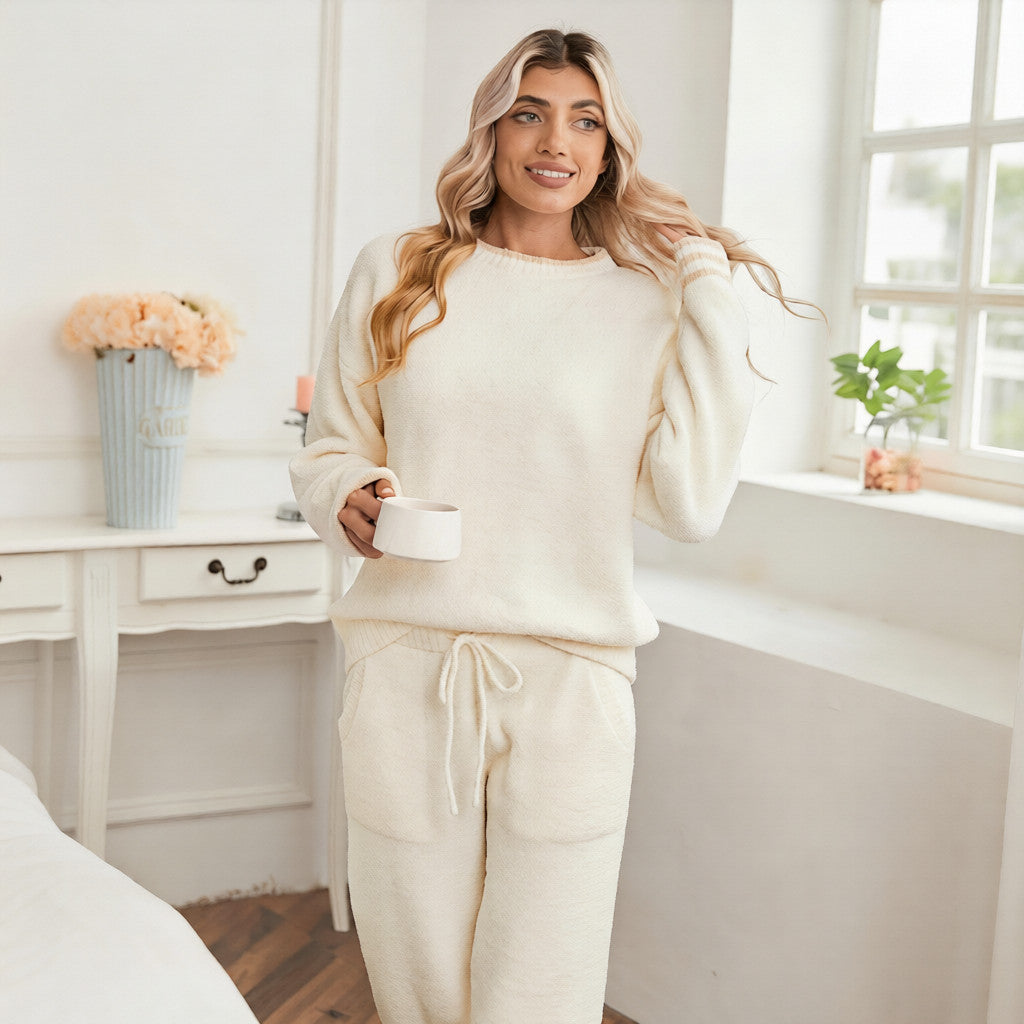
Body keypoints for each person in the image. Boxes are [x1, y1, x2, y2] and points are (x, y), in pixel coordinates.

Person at [291, 27, 813, 1024]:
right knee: (417, 977)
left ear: (610, 149)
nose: (554, 142)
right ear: (490, 130)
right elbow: (333, 446)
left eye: (585, 121)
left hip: (575, 678)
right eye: (528, 113)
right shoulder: (399, 269)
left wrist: (706, 286)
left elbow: (689, 504)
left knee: (543, 986)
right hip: (407, 665)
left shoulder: (643, 305)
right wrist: (346, 493)